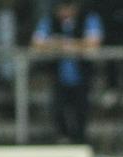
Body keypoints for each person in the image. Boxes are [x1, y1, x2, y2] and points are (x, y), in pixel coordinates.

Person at [32, 0, 102, 143]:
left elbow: (94, 43)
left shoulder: (88, 17)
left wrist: (64, 43)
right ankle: (63, 139)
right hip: (58, 77)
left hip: (82, 76)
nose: (63, 13)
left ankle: (80, 141)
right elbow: (37, 43)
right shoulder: (50, 20)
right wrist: (71, 44)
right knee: (57, 111)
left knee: (81, 111)